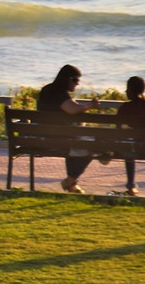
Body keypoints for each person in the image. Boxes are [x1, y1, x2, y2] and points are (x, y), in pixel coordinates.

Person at [36, 64, 101, 194]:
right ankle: (70, 180)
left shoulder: (46, 90)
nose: (77, 84)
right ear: (68, 79)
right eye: (76, 80)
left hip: (45, 137)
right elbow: (72, 109)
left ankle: (72, 184)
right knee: (94, 146)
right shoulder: (59, 93)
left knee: (76, 143)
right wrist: (91, 105)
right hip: (60, 140)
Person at [115, 75, 145, 197]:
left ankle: (131, 184)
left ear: (130, 90)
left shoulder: (124, 108)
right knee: (130, 145)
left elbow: (118, 130)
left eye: (127, 89)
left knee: (128, 147)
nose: (125, 91)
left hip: (130, 148)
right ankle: (132, 186)